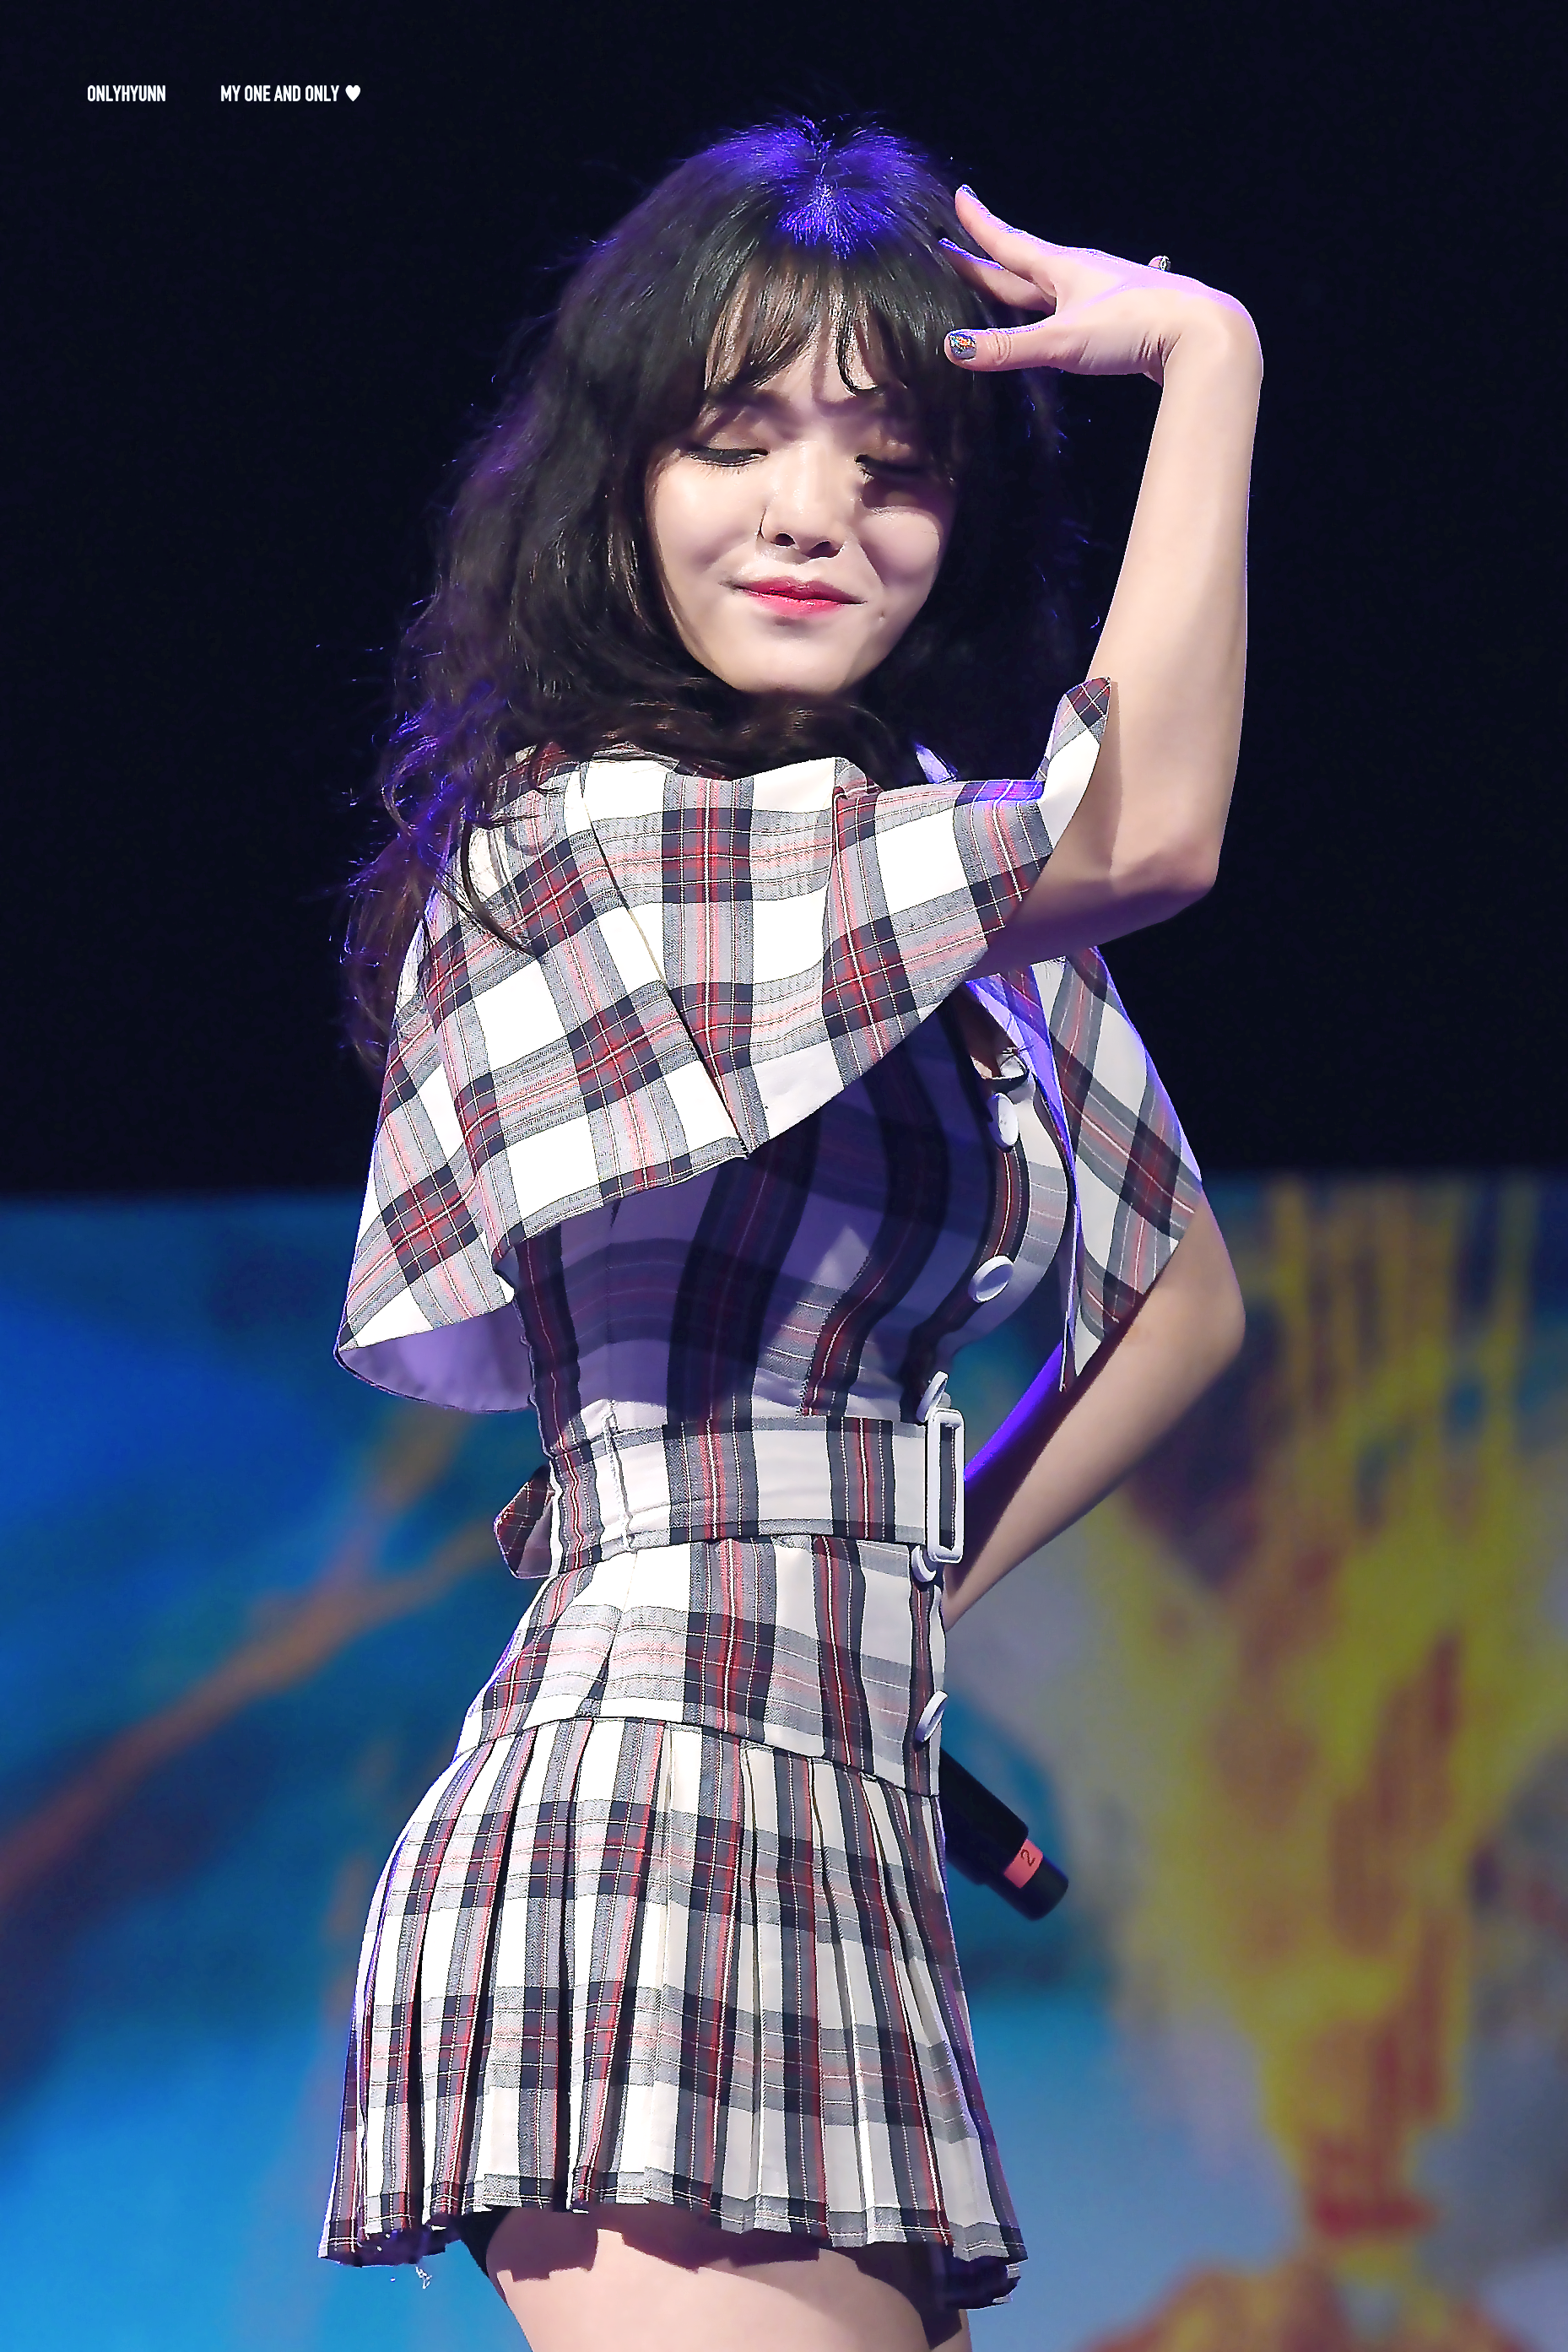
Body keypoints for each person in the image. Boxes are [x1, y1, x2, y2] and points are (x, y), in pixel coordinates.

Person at [322, 118, 1258, 2352]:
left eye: (894, 463)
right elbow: (1149, 826)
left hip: (827, 1814)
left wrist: (890, 1601)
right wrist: (1208, 361)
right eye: (736, 440)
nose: (816, 510)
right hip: (635, 1806)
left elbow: (1180, 1309)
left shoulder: (930, 878)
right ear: (622, 485)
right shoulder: (592, 840)